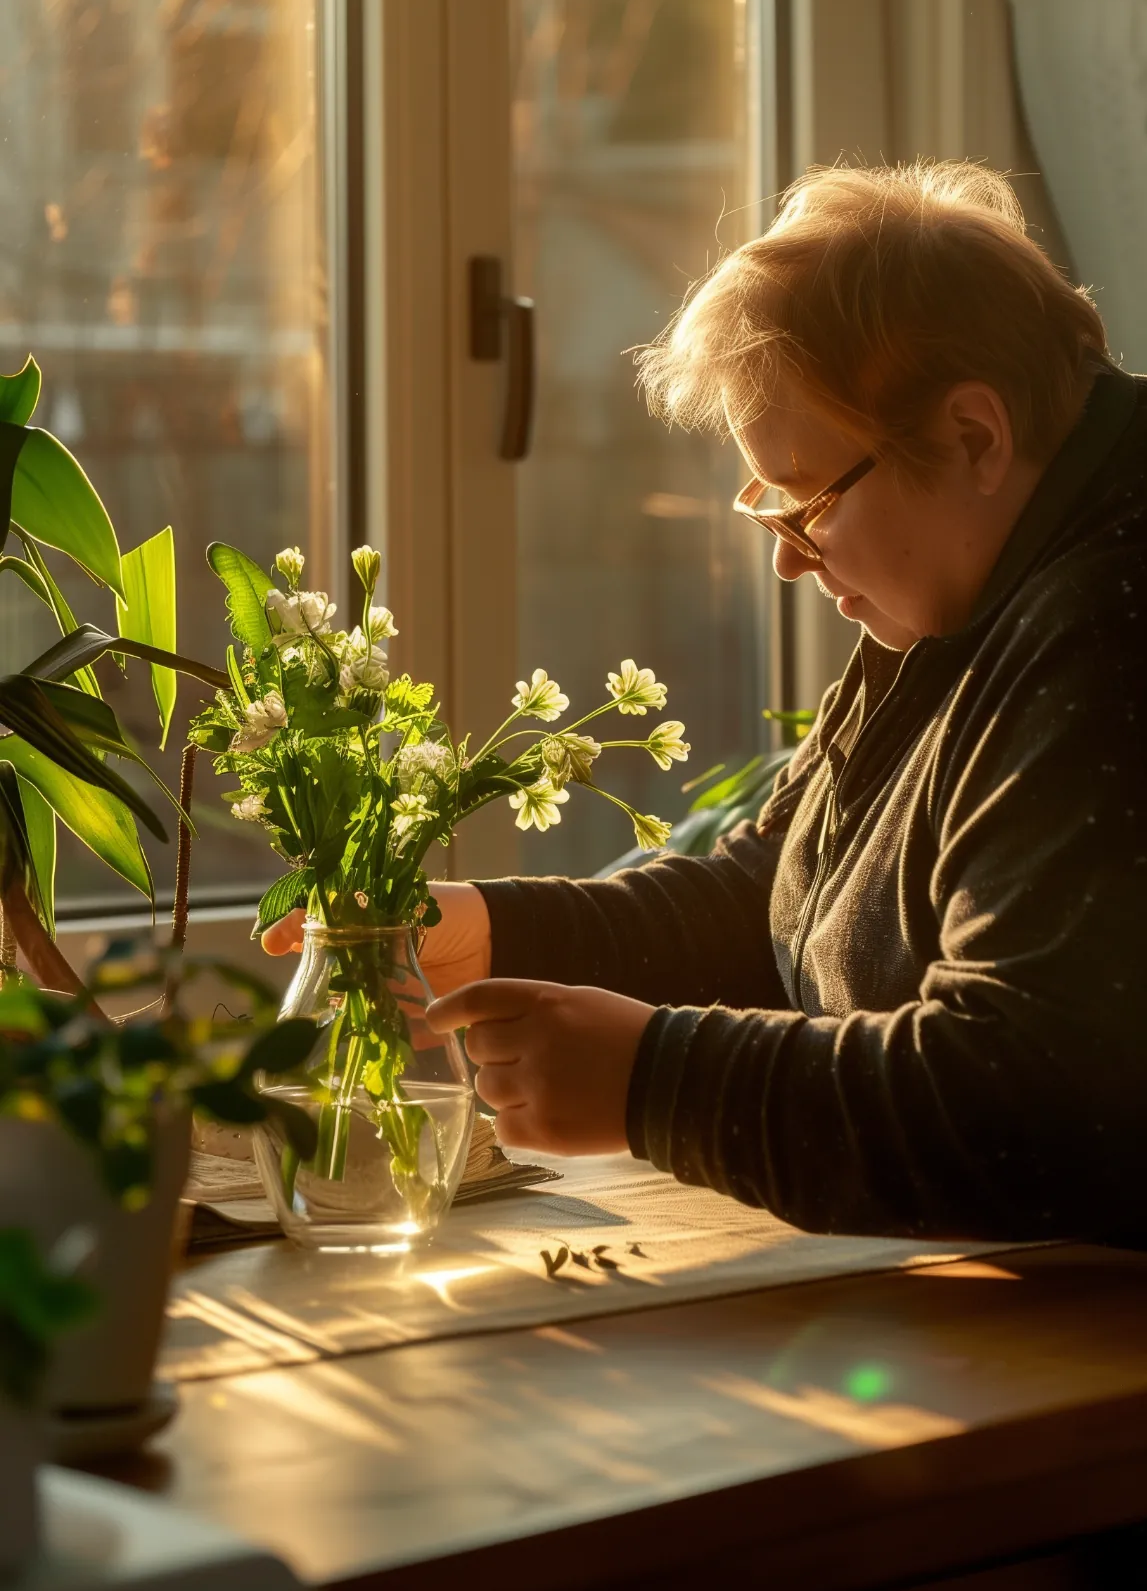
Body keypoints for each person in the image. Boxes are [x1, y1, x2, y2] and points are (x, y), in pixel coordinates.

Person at [264, 160, 1147, 1245]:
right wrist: (496, 932)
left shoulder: (1113, 625)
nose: (791, 561)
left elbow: (1025, 1099)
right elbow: (785, 889)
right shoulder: (972, 587)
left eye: (808, 504)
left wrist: (654, 1080)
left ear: (972, 434)